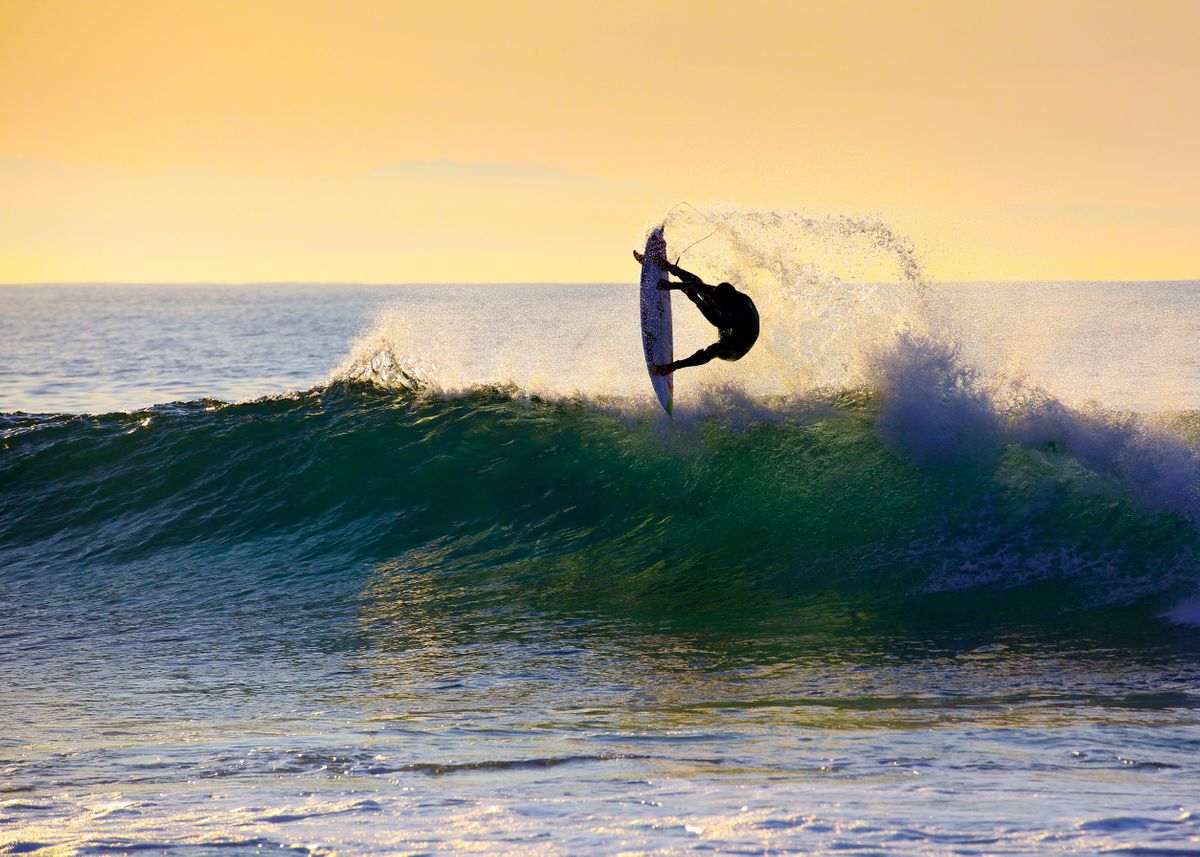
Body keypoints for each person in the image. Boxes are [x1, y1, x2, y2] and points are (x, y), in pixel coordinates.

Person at [634, 251, 759, 375]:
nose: (716, 307)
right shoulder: (729, 295)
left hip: (735, 347)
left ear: (727, 304)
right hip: (728, 319)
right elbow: (699, 287)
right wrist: (671, 285)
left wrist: (697, 300)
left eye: (718, 306)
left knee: (714, 350)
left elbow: (717, 321)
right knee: (699, 284)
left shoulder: (742, 316)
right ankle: (666, 266)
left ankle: (673, 366)